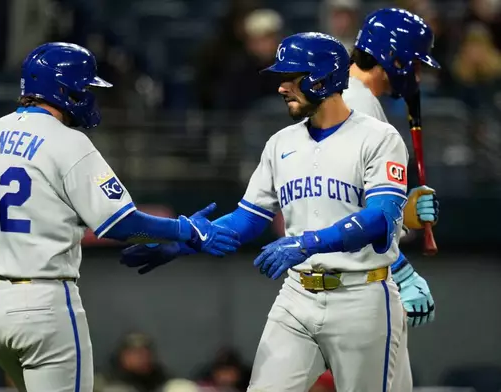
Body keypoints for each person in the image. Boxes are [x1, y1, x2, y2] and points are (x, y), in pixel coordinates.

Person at [0, 42, 241, 392]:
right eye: (85, 87)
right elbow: (121, 224)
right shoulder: (67, 142)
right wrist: (185, 229)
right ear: (63, 89)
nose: (89, 95)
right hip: (43, 305)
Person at [121, 32, 431, 391]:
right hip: (297, 294)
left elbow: (380, 217)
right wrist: (182, 243)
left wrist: (309, 243)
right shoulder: (280, 143)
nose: (282, 88)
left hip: (362, 295)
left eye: (292, 78)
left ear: (324, 78)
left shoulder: (378, 137)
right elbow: (249, 218)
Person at [345, 8, 442, 390]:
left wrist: (408, 213)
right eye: (414, 64)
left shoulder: (352, 99)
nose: (416, 75)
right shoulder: (356, 109)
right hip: (356, 283)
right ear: (393, 58)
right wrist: (403, 271)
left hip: (351, 277)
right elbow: (354, 213)